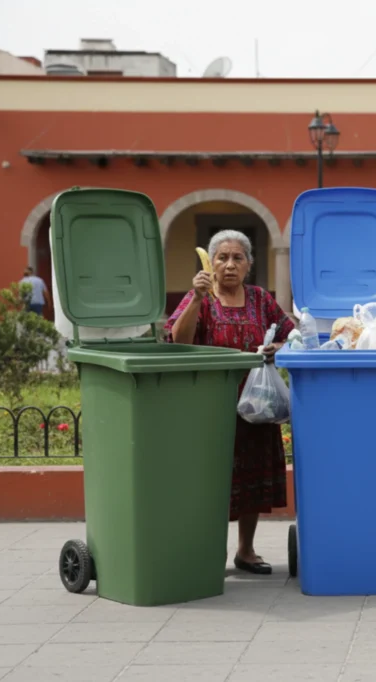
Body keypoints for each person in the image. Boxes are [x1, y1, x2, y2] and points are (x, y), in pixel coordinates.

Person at [166, 230, 294, 575]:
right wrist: (195, 298)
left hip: (255, 407)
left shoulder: (260, 299)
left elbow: (290, 335)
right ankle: (209, 550)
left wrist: (276, 349)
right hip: (211, 406)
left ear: (249, 265)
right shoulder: (202, 299)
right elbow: (179, 340)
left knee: (252, 478)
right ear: (210, 264)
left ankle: (246, 550)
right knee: (210, 479)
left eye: (238, 258)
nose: (229, 265)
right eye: (221, 258)